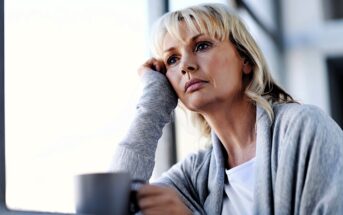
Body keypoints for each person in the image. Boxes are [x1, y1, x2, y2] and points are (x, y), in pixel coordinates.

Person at [112, 3, 343, 215]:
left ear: (245, 60)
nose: (185, 65)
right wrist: (152, 105)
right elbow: (112, 204)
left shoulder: (304, 129)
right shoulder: (194, 175)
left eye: (202, 45)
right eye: (172, 59)